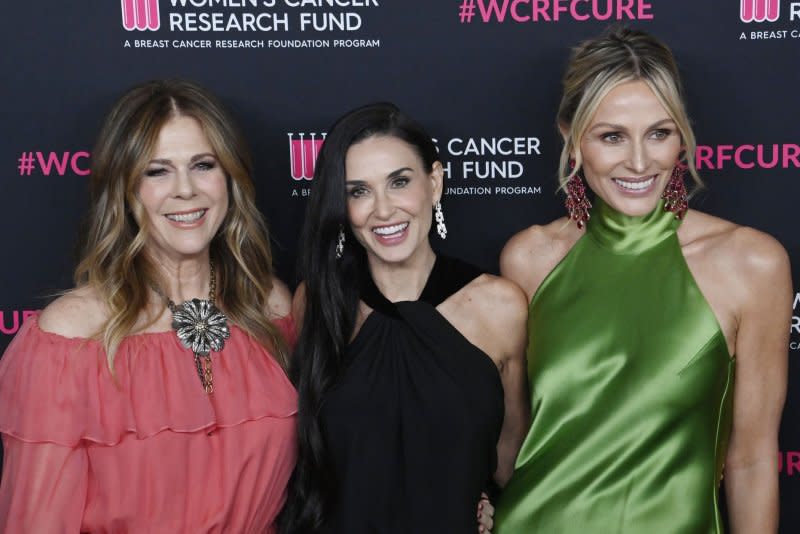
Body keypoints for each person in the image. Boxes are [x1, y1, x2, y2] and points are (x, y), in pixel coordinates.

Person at [493, 27, 790, 533]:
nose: (638, 161)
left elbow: (753, 460)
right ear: (570, 136)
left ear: (682, 135)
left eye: (659, 132)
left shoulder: (752, 264)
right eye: (611, 136)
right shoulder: (529, 259)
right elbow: (511, 439)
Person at [0, 79, 297, 532]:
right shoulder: (71, 337)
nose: (186, 190)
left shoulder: (271, 306)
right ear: (124, 189)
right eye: (157, 171)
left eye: (203, 165)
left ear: (230, 178)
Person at [280, 103, 529, 533]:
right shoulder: (316, 303)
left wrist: (489, 504)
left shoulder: (500, 306)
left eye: (399, 182)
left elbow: (511, 466)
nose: (383, 209)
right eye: (358, 191)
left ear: (434, 183)